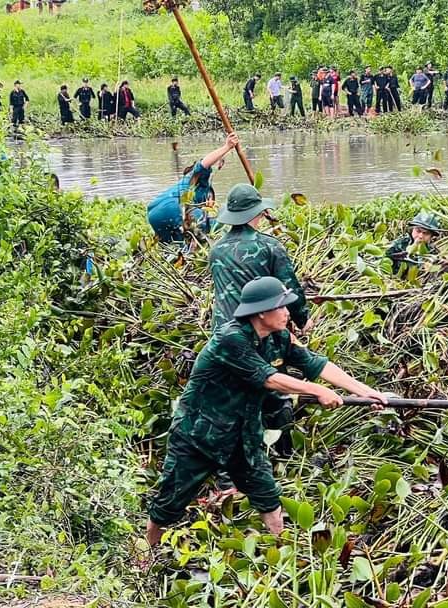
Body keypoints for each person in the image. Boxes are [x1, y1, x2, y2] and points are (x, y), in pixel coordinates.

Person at [145, 276, 388, 547]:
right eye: (281, 307)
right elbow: (268, 378)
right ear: (261, 312)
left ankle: (281, 551)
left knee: (267, 495)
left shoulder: (280, 337)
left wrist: (363, 391)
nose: (287, 313)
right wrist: (316, 391)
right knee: (169, 502)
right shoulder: (231, 339)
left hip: (243, 435)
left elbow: (317, 364)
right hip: (199, 435)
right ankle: (146, 557)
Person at [209, 183, 311, 332]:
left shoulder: (215, 249)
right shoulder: (270, 246)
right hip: (255, 332)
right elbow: (289, 289)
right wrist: (303, 320)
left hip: (220, 332)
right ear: (259, 213)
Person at [146, 132, 239, 244]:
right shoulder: (198, 180)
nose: (211, 205)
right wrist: (227, 147)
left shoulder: (184, 183)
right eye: (211, 200)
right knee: (212, 226)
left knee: (178, 244)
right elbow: (204, 164)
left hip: (154, 214)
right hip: (175, 207)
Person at [386, 212, 440, 278]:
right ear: (412, 229)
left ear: (431, 236)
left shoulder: (433, 253)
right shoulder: (399, 244)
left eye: (426, 233)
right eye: (418, 231)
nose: (420, 236)